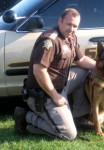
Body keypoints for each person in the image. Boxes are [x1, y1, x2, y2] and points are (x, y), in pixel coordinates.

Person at [14, 8, 96, 140]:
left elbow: (81, 60)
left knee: (84, 72)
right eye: (69, 24)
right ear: (60, 21)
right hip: (44, 92)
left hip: (61, 85)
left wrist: (99, 67)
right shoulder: (49, 40)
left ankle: (80, 117)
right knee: (69, 135)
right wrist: (55, 96)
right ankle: (26, 117)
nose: (71, 29)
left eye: (75, 26)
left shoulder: (71, 38)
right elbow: (39, 71)